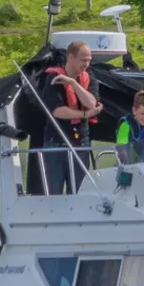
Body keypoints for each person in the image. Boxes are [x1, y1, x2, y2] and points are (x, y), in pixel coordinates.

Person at [38, 41, 100, 193]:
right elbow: (57, 111)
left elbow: (92, 103)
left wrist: (73, 83)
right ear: (70, 57)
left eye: (89, 60)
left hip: (81, 143)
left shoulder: (89, 77)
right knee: (55, 192)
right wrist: (85, 115)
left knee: (79, 192)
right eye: (83, 59)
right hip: (56, 143)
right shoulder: (54, 78)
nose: (87, 64)